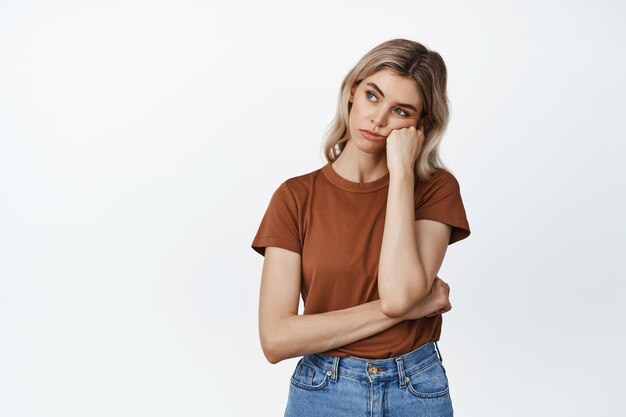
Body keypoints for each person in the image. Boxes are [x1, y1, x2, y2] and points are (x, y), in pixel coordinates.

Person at [250, 38, 471, 417]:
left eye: (400, 110)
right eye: (373, 96)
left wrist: (402, 171)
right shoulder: (295, 197)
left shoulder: (435, 189)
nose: (379, 119)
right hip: (324, 389)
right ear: (352, 91)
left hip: (414, 387)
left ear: (421, 125)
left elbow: (400, 294)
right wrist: (410, 310)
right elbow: (276, 339)